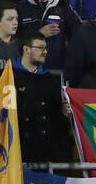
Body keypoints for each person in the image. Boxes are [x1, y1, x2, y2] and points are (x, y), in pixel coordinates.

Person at [12, 31, 72, 162]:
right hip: (18, 149)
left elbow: (58, 118)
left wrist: (63, 112)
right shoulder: (7, 77)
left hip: (47, 152)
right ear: (26, 49)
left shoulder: (50, 79)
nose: (45, 52)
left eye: (46, 48)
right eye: (40, 48)